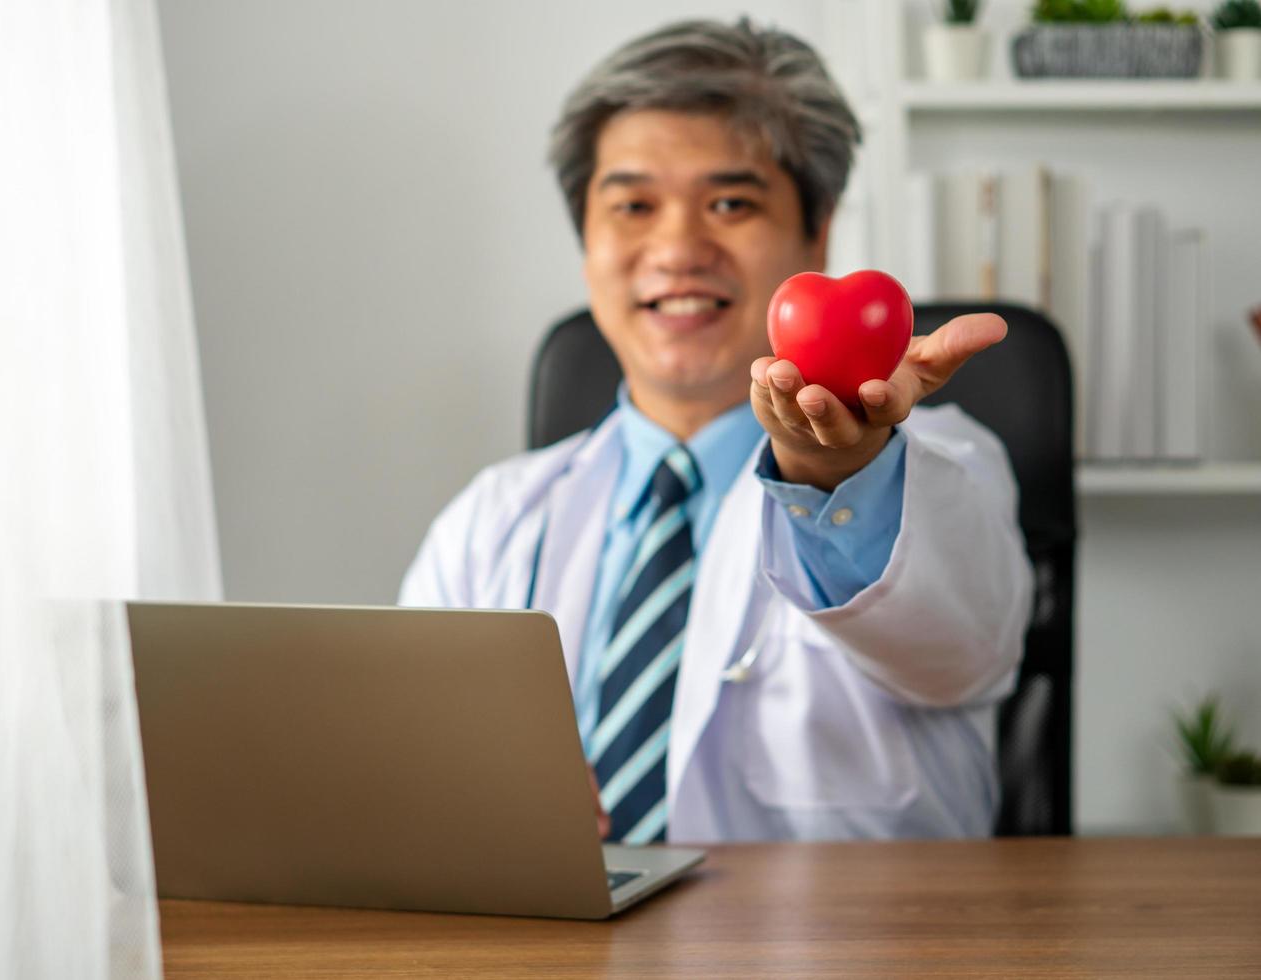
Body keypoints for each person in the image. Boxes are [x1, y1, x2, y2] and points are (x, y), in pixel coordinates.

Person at [400, 18, 1033, 843]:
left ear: (819, 230)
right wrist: (462, 805)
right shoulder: (490, 521)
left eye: (731, 202)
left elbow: (962, 648)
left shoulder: (944, 459)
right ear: (586, 239)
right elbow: (408, 772)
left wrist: (831, 470)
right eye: (632, 205)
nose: (676, 249)